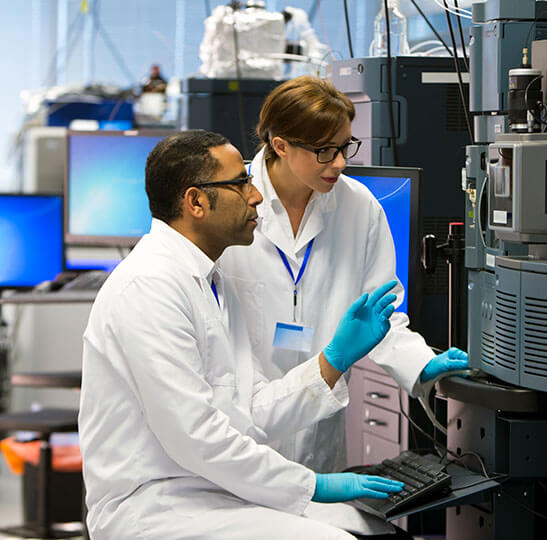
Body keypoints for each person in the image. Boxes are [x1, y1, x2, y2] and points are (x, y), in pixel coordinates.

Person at [78, 130, 413, 539]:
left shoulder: (211, 283)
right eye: (241, 183)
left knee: (377, 529)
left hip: (211, 490)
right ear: (196, 202)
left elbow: (249, 411)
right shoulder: (149, 287)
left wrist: (331, 362)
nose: (255, 196)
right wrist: (312, 484)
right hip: (155, 505)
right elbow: (196, 437)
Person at [218, 76, 469, 475]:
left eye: (344, 147)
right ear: (280, 145)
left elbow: (380, 316)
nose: (340, 163)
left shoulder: (359, 207)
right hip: (243, 434)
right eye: (324, 151)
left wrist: (421, 363)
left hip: (320, 433)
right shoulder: (231, 209)